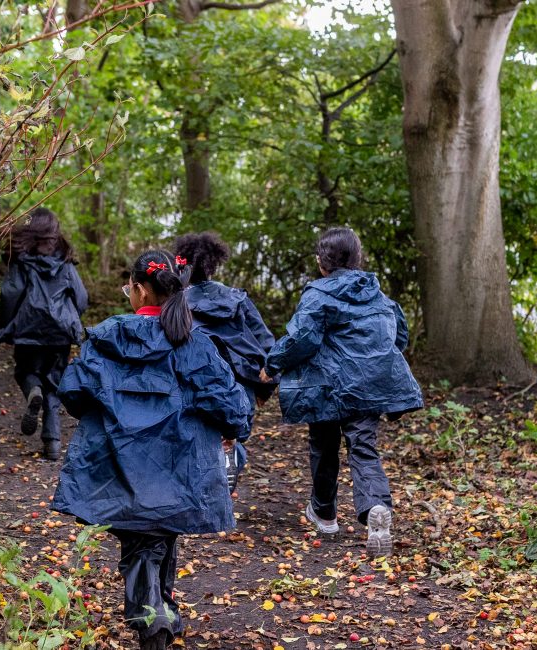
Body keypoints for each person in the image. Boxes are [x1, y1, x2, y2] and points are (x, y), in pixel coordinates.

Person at [53, 250, 251, 650]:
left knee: (143, 539)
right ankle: (161, 610)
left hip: (118, 461)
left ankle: (154, 616)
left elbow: (73, 391)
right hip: (179, 462)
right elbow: (231, 402)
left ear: (140, 290)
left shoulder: (109, 337)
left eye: (129, 287)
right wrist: (233, 430)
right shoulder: (193, 343)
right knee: (158, 534)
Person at [261, 227, 422, 556]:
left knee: (323, 446)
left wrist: (272, 364)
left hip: (326, 387)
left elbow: (301, 339)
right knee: (363, 448)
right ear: (357, 258)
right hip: (369, 387)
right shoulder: (378, 294)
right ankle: (376, 507)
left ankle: (325, 514)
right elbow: (399, 337)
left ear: (321, 262)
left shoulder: (318, 294)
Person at [174, 232, 276, 495]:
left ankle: (205, 484)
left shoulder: (177, 303)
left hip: (196, 381)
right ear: (213, 265)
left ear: (181, 266)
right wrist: (266, 385)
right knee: (234, 433)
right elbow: (265, 342)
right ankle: (230, 463)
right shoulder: (237, 298)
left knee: (198, 434)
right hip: (241, 383)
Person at [0, 208, 88, 460]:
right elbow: (81, 298)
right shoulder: (65, 263)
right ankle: (53, 442)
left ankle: (32, 392)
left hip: (28, 329)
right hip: (59, 334)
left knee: (25, 372)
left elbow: (9, 294)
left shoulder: (21, 262)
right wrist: (71, 319)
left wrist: (7, 327)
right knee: (54, 383)